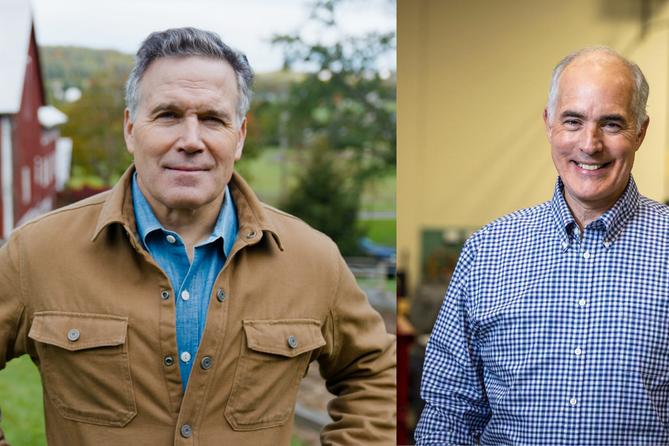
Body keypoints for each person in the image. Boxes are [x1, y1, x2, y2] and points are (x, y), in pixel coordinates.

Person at [0, 27, 395, 445]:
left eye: (212, 119)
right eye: (168, 114)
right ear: (131, 128)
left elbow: (375, 372)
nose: (191, 141)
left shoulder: (312, 259)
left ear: (238, 136)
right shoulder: (37, 253)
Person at [414, 47, 669, 445]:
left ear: (641, 130)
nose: (590, 144)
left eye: (612, 124)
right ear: (549, 124)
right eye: (573, 121)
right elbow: (449, 413)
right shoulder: (487, 252)